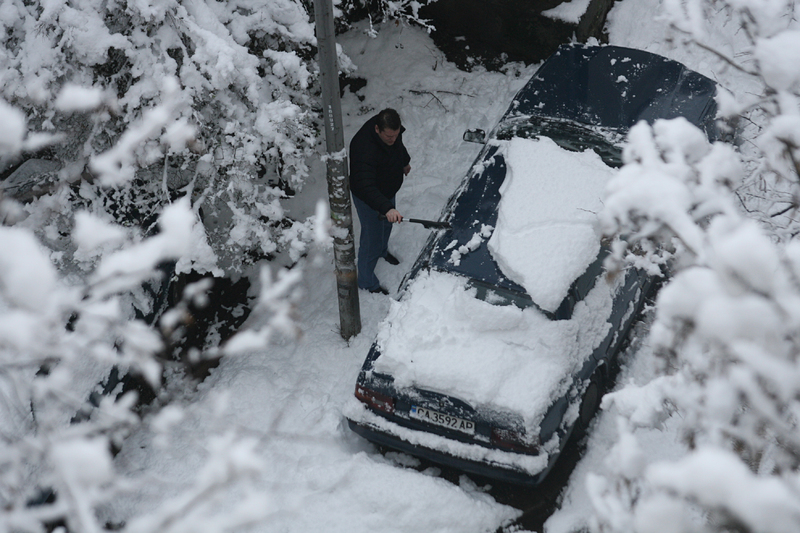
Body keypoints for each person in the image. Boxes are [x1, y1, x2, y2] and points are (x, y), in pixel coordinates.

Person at [349, 108, 412, 294]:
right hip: (369, 197)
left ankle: (382, 252)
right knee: (372, 238)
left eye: (396, 134)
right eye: (388, 136)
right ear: (377, 129)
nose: (393, 139)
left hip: (386, 190)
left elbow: (398, 147)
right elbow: (365, 186)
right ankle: (367, 282)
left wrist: (404, 162)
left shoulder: (391, 133)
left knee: (387, 226)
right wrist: (386, 208)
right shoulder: (363, 147)